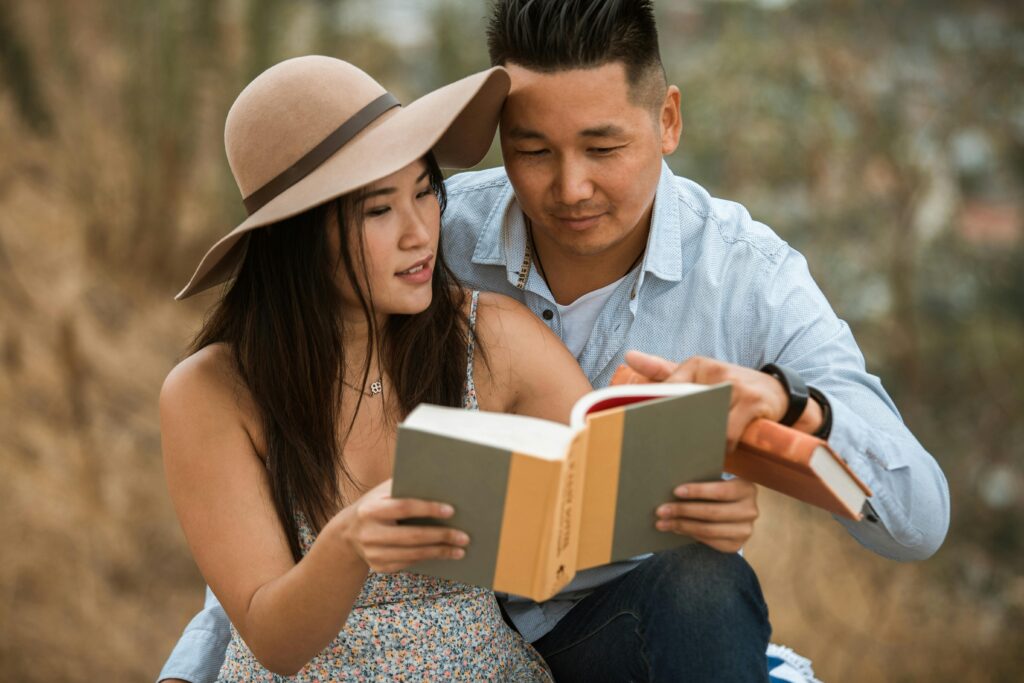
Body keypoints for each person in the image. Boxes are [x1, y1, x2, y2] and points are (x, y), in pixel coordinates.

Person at [161, 1, 950, 682]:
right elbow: (253, 600)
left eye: (603, 148)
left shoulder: (743, 275)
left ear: (668, 119)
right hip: (375, 639)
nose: (569, 187)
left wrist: (768, 431)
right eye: (532, 150)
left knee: (705, 577)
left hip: (592, 630)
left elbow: (917, 517)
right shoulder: (443, 235)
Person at [161, 56, 599, 681]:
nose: (420, 233)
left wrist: (646, 434)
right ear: (298, 235)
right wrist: (349, 543)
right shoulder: (214, 392)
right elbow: (275, 642)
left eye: (425, 191)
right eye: (377, 211)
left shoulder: (488, 337)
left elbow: (610, 503)